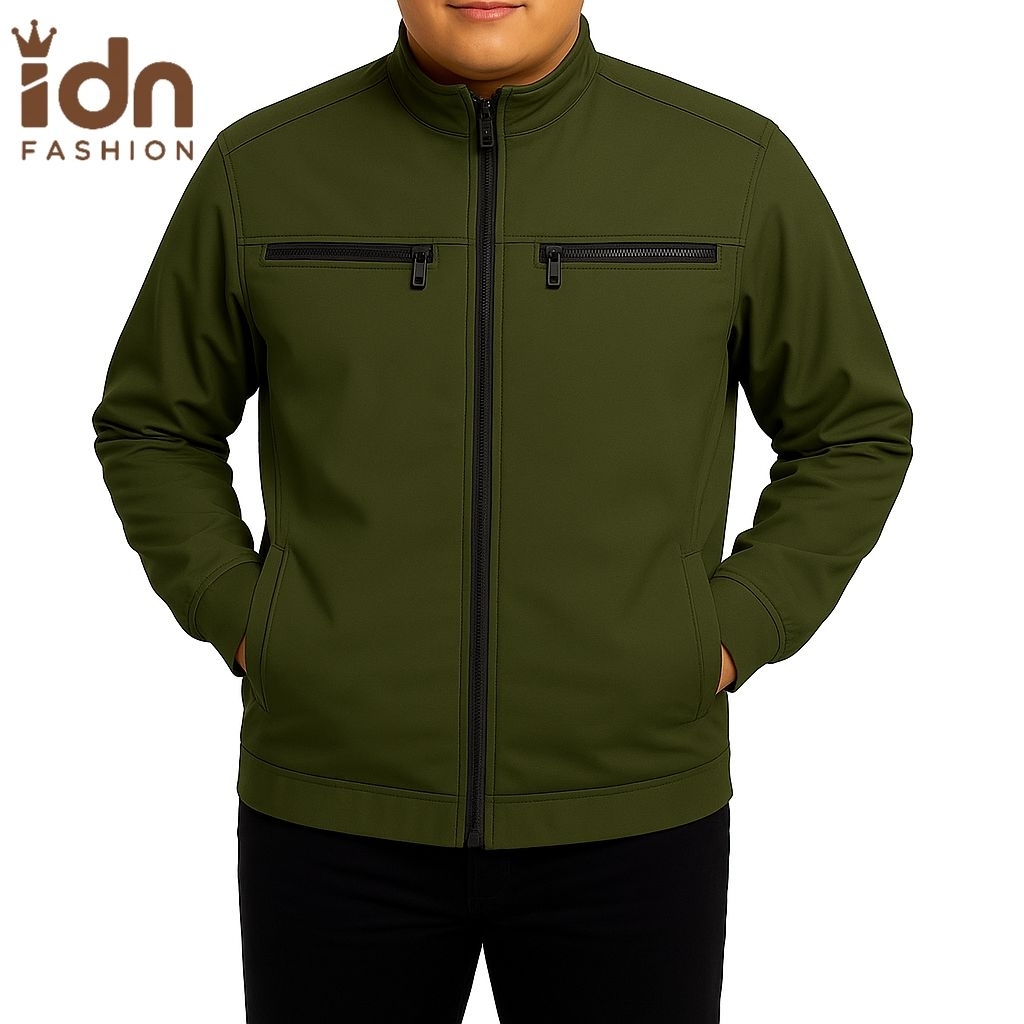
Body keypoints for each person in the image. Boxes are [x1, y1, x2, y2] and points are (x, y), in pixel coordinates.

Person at [91, 1, 914, 1021]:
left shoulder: (733, 168)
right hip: (332, 810)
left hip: (632, 813)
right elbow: (152, 423)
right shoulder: (258, 170)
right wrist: (247, 613)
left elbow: (852, 430)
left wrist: (729, 629)